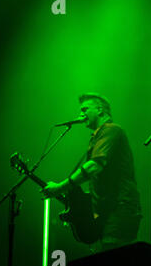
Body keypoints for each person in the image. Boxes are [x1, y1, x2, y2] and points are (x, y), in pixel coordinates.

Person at [42, 93, 142, 252]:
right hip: (108, 213)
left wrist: (60, 187)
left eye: (85, 109)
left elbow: (94, 166)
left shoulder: (111, 130)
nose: (80, 115)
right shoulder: (99, 136)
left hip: (119, 210)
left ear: (100, 110)